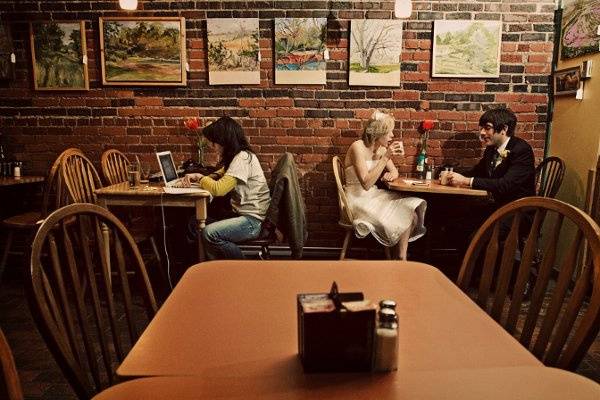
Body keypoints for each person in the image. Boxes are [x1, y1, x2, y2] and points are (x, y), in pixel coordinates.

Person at [182, 116, 271, 259]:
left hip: (252, 221)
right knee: (194, 223)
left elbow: (219, 189)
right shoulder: (239, 157)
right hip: (245, 216)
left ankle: (239, 268)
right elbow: (222, 173)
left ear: (225, 141)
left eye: (214, 142)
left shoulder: (242, 158)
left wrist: (200, 177)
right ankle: (209, 266)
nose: (212, 145)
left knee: (209, 233)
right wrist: (204, 177)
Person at [343, 110, 426, 260]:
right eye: (389, 132)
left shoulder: (380, 149)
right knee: (403, 214)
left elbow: (394, 172)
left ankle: (400, 256)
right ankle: (400, 258)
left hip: (373, 196)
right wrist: (385, 157)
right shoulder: (358, 147)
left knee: (412, 212)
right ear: (378, 132)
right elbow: (366, 184)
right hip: (356, 200)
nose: (392, 136)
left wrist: (390, 174)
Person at [447, 108, 536, 242]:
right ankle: (464, 263)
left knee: (476, 238)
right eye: (481, 128)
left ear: (504, 129)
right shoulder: (491, 149)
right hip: (499, 207)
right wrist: (452, 174)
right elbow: (477, 171)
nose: (482, 133)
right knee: (457, 221)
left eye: (487, 128)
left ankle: (485, 262)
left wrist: (466, 181)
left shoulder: (521, 150)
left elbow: (505, 184)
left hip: (519, 212)